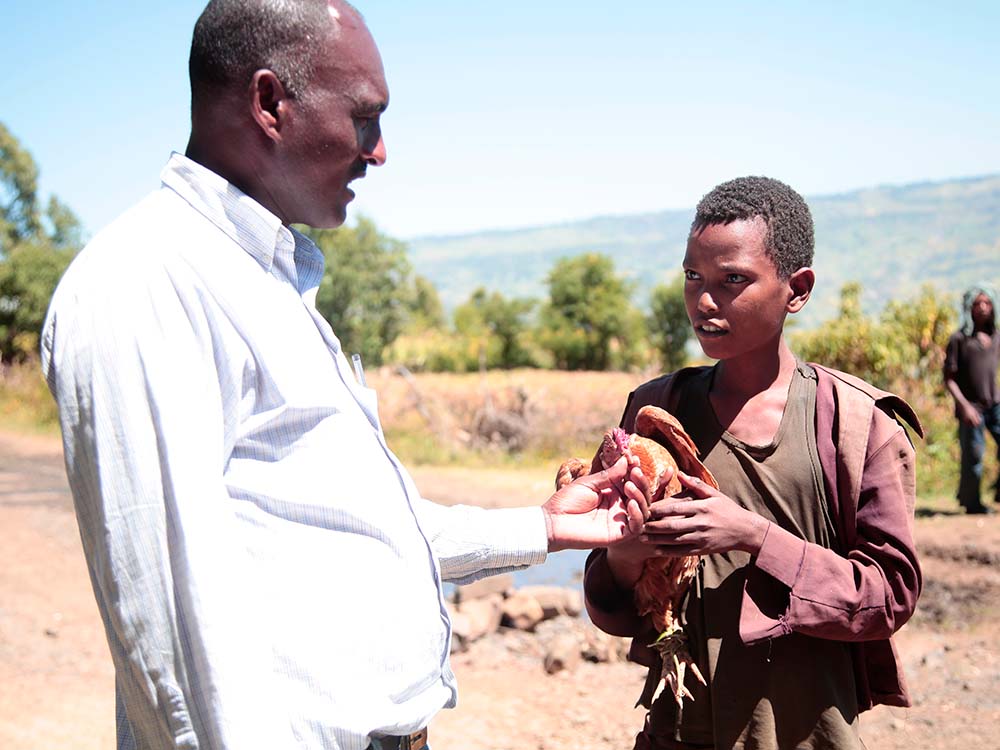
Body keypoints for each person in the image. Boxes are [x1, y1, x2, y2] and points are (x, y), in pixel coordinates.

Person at [39, 2, 651, 748]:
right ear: (270, 103)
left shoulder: (267, 279)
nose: (380, 151)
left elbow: (353, 527)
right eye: (365, 118)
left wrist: (548, 525)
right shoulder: (148, 280)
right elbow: (172, 622)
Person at [583, 176, 923, 750]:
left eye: (733, 280)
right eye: (693, 276)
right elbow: (608, 601)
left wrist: (753, 536)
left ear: (798, 289)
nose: (705, 301)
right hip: (680, 733)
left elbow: (887, 595)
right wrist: (623, 558)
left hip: (806, 733)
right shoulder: (654, 412)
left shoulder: (855, 424)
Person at [943, 285, 1000, 515]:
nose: (983, 307)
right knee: (974, 456)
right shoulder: (959, 339)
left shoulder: (995, 337)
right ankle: (971, 503)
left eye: (987, 303)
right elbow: (949, 379)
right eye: (978, 303)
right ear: (969, 308)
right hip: (971, 407)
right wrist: (964, 406)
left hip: (994, 405)